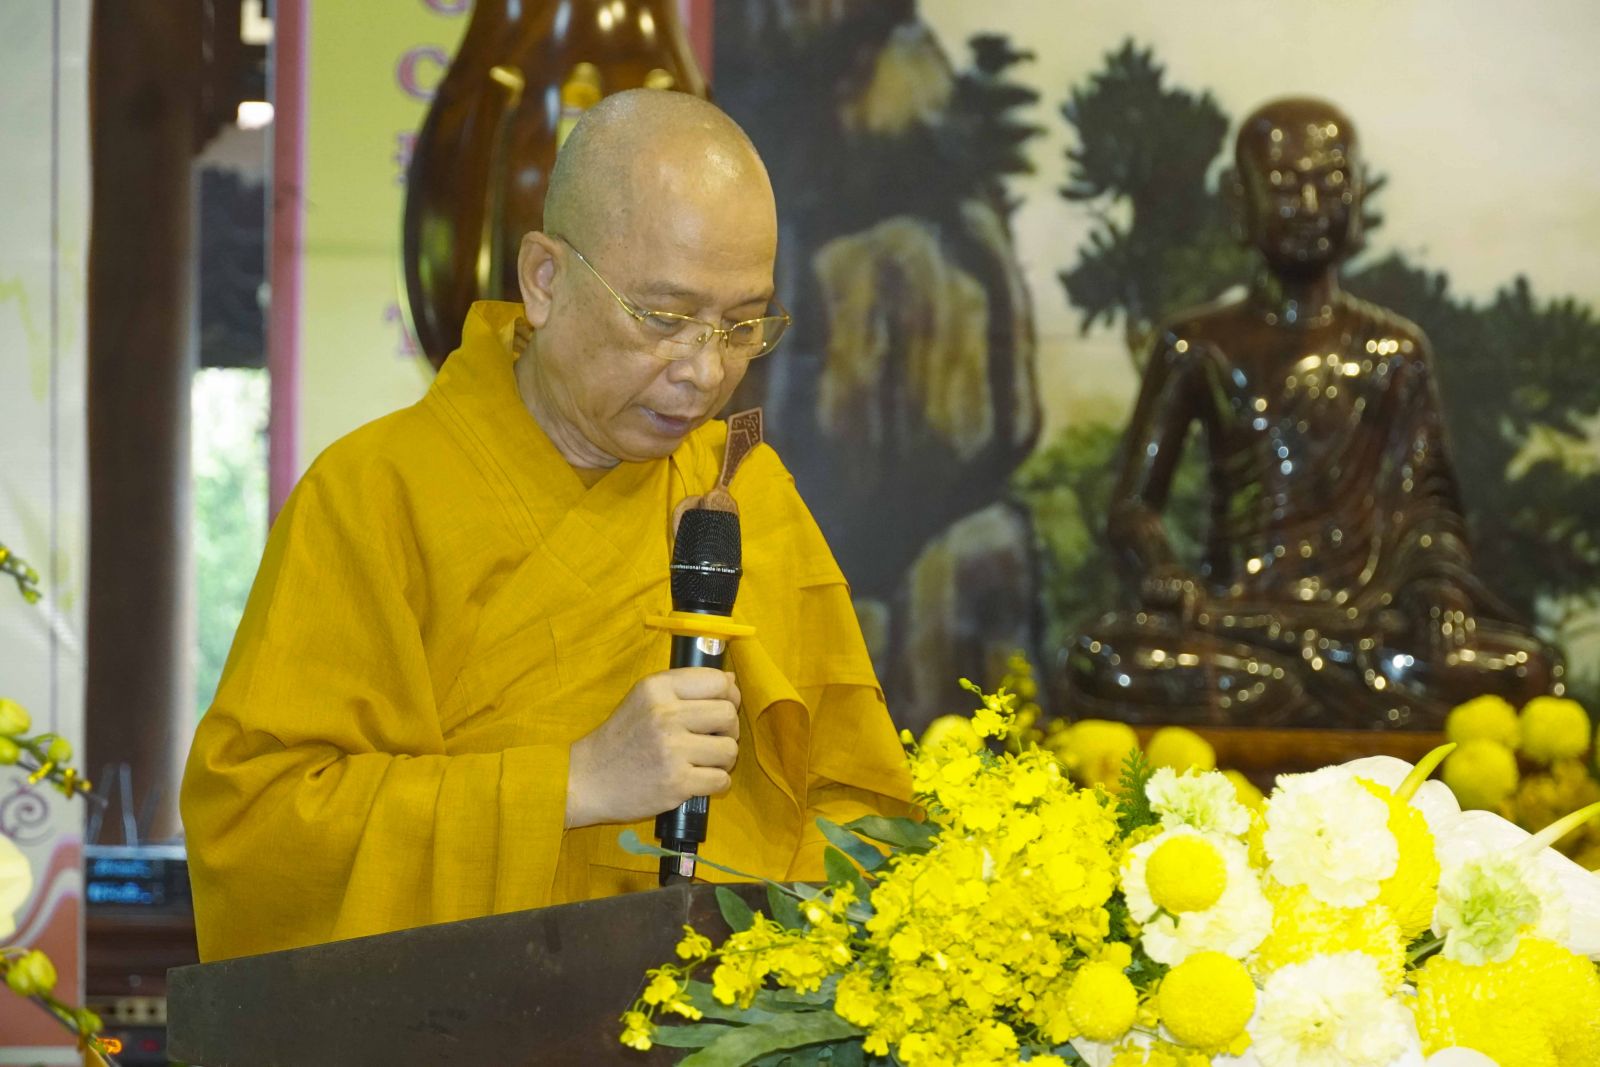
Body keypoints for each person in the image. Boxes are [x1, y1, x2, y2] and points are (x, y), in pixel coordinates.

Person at [180, 91, 913, 961]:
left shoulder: (741, 495)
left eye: (741, 324)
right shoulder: (376, 495)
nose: (704, 371)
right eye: (665, 318)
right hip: (459, 1019)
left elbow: (857, 809)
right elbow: (260, 832)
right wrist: (575, 781)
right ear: (544, 280)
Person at [1063, 98, 1562, 729]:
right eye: (1283, 185)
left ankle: (1290, 692)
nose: (1309, 205)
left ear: (1358, 196)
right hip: (1236, 619)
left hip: (1363, 625)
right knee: (1108, 662)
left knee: (1525, 668)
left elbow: (1428, 508)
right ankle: (1306, 692)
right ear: (1240, 203)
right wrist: (1163, 571)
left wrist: (1437, 586)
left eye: (1329, 183)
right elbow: (1134, 507)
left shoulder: (1394, 351)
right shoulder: (1196, 345)